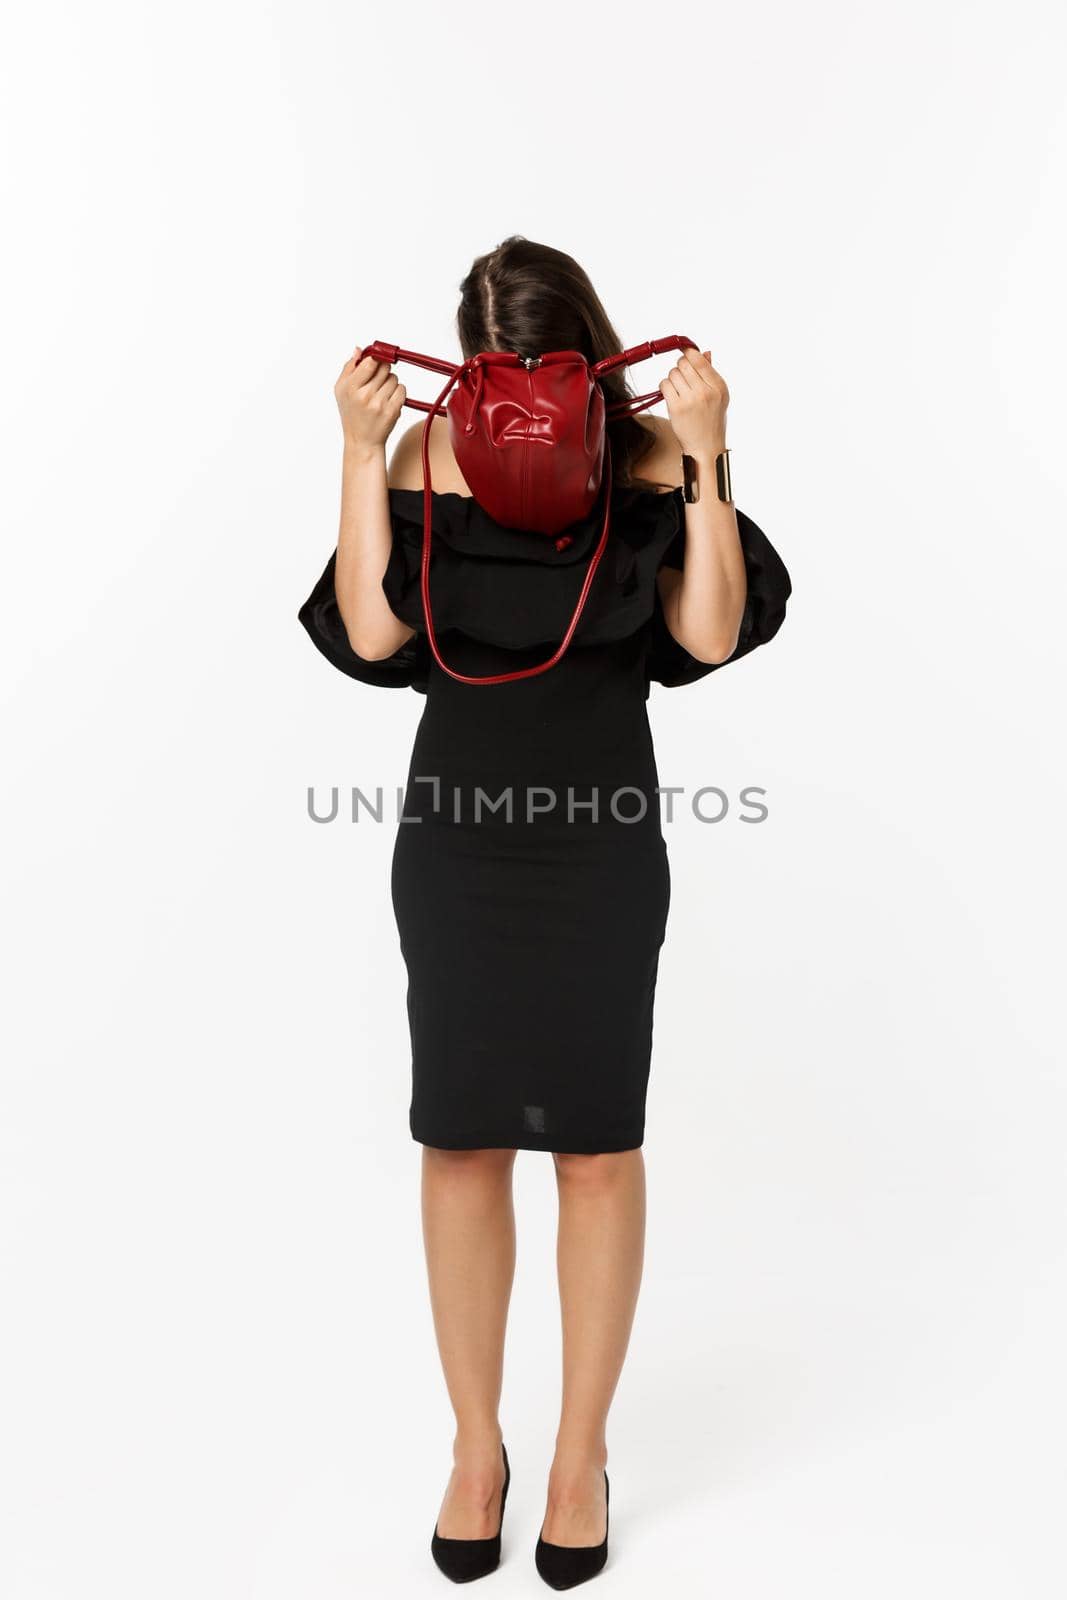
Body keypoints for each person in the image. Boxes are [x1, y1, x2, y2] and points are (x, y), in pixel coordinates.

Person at [298, 235, 790, 1587]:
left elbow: (703, 633)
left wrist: (706, 451)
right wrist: (358, 453)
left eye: (538, 364)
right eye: (494, 367)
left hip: (599, 848)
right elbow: (376, 636)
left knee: (592, 1146)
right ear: (466, 364)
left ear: (586, 352)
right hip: (457, 847)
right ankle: (476, 1446)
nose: (515, 389)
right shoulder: (429, 457)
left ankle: (581, 1453)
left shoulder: (641, 459)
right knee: (459, 1140)